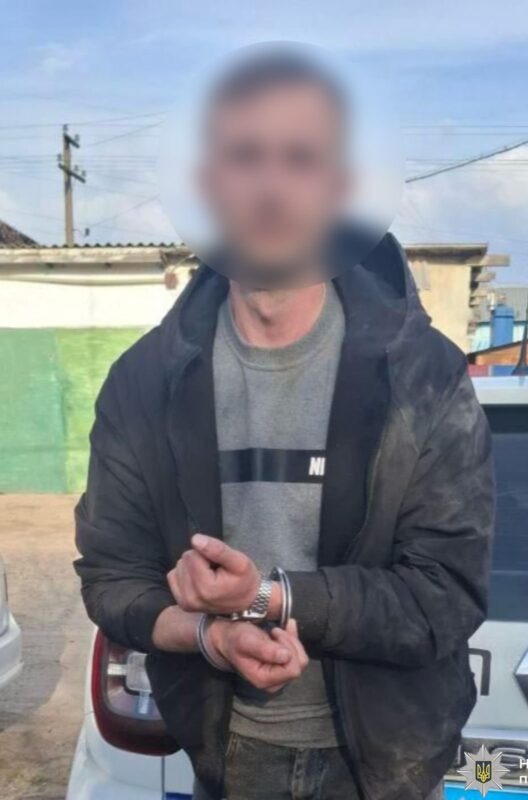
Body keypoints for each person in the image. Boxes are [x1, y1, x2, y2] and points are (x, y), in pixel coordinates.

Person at [75, 49, 495, 800]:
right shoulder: (143, 384)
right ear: (208, 183)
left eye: (301, 158)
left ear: (340, 187)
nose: (271, 187)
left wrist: (269, 596)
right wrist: (208, 634)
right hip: (230, 758)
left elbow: (445, 597)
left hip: (386, 768)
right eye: (244, 156)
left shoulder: (422, 375)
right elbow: (111, 580)